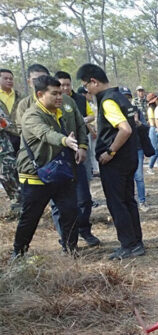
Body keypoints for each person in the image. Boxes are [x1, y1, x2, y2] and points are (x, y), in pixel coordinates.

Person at [77, 63, 144, 260]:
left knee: (117, 204)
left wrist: (110, 151)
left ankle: (128, 245)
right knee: (128, 201)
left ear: (94, 81)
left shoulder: (108, 101)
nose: (86, 90)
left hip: (116, 162)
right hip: (129, 158)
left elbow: (125, 129)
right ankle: (136, 243)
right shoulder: (121, 97)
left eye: (86, 85)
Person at [12, 75, 83, 257]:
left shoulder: (60, 112)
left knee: (70, 211)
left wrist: (81, 146)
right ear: (40, 94)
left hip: (59, 172)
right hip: (35, 175)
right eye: (55, 94)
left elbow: (80, 125)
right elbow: (45, 133)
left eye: (60, 93)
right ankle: (18, 253)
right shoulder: (32, 115)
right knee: (31, 217)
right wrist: (64, 140)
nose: (60, 97)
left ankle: (70, 251)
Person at [50, 70, 100, 247]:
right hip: (55, 160)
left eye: (67, 84)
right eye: (60, 85)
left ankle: (84, 230)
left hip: (76, 157)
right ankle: (66, 238)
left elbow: (81, 127)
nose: (64, 88)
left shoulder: (75, 100)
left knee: (84, 198)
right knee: (58, 203)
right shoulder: (45, 103)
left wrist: (83, 147)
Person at [120, 86, 148, 212]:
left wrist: (137, 122)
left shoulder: (136, 110)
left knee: (139, 177)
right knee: (127, 177)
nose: (126, 100)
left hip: (137, 148)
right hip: (123, 150)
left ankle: (142, 201)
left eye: (128, 97)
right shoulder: (116, 112)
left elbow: (145, 127)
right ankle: (129, 202)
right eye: (124, 97)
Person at [0, 68, 21, 209]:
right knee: (6, 170)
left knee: (19, 167)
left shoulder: (20, 96)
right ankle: (17, 200)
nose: (9, 81)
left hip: (18, 136)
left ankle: (22, 198)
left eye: (11, 78)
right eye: (5, 78)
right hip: (3, 140)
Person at [146, 92, 158, 174]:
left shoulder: (156, 109)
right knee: (155, 150)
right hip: (153, 129)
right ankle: (150, 167)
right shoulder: (150, 110)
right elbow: (154, 122)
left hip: (156, 129)